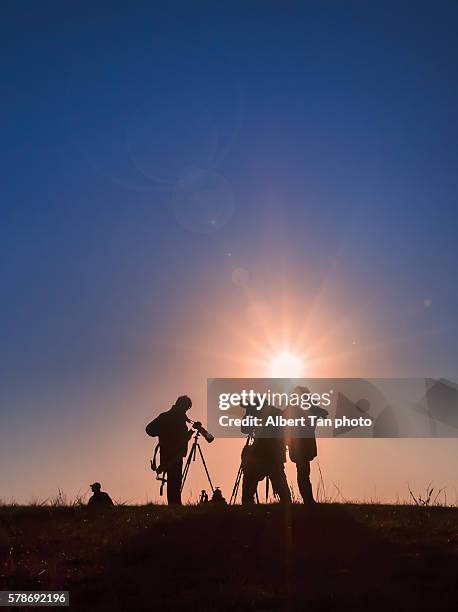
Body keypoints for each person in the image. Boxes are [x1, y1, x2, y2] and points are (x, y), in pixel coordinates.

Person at [145, 395, 196, 505]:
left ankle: (175, 505)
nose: (186, 410)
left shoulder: (179, 419)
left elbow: (180, 439)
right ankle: (174, 506)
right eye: (186, 408)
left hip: (176, 454)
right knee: (174, 481)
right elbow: (149, 430)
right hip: (171, 455)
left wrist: (188, 435)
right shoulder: (167, 417)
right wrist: (165, 433)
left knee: (175, 481)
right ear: (180, 405)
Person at [285, 386, 328, 505]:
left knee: (303, 472)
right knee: (303, 473)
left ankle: (308, 500)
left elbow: (324, 413)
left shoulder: (297, 407)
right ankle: (308, 500)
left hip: (301, 444)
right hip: (300, 445)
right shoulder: (295, 407)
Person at [241, 403, 291, 504]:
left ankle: (247, 503)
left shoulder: (261, 414)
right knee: (279, 479)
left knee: (250, 478)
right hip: (274, 453)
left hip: (262, 453)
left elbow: (245, 429)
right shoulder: (277, 413)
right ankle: (286, 503)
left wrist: (248, 413)